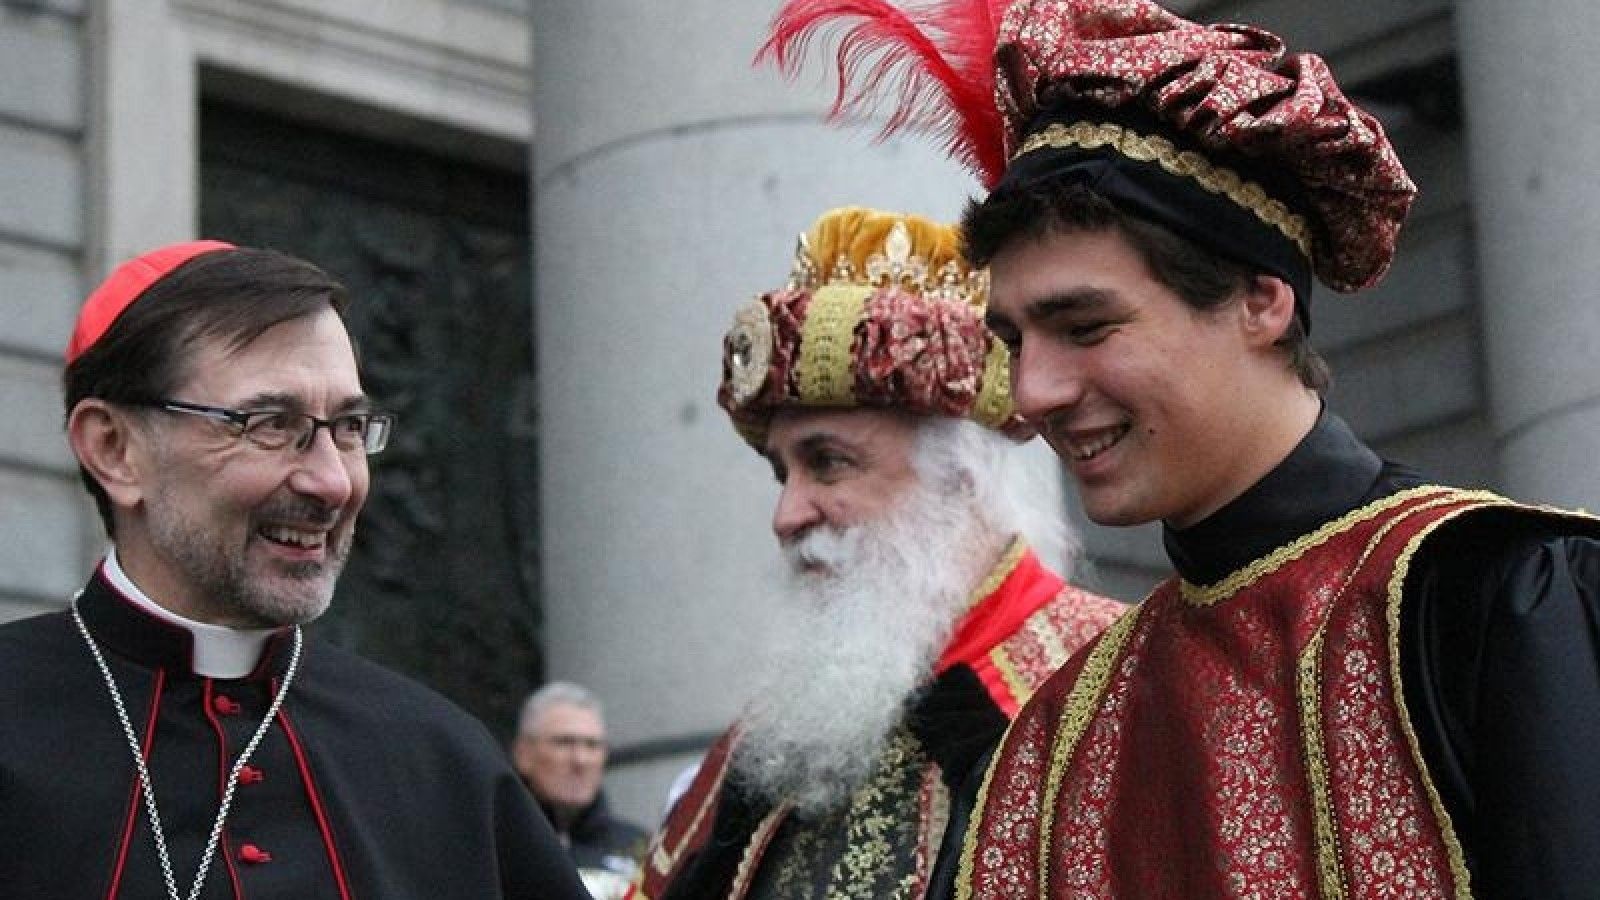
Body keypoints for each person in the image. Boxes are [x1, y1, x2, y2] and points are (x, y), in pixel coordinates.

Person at [766, 1, 1600, 896]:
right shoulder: (1051, 737)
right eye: (1014, 341)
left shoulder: (1494, 598)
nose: (1034, 391)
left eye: (1084, 325)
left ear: (1260, 302)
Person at [0, 241, 591, 900]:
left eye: (348, 426)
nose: (333, 482)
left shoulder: (442, 759)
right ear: (115, 449)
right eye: (271, 424)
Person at [628, 207, 1125, 900]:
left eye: (827, 463)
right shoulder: (768, 745)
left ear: (960, 479)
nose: (786, 515)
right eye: (781, 473)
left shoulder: (1115, 692)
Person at [514, 681, 649, 898]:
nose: (580, 760)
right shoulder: (494, 840)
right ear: (524, 754)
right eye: (564, 742)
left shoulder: (640, 848)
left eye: (592, 745)